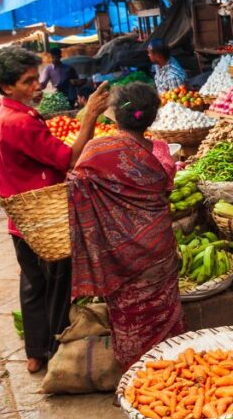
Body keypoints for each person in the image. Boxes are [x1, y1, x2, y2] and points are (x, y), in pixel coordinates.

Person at [0, 46, 111, 373]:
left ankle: (35, 353)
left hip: (21, 221)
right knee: (57, 286)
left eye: (35, 78)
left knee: (32, 285)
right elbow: (69, 159)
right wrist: (91, 115)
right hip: (46, 219)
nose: (37, 86)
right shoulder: (22, 122)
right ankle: (57, 354)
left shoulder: (0, 116)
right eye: (28, 82)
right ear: (7, 87)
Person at [67, 82, 185, 369]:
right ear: (153, 117)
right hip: (158, 247)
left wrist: (89, 119)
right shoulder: (160, 151)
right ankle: (174, 370)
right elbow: (166, 186)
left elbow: (75, 178)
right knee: (165, 310)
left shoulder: (97, 149)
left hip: (120, 255)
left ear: (115, 115)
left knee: (127, 315)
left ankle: (136, 377)